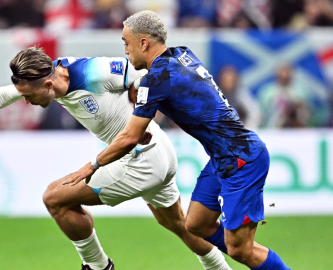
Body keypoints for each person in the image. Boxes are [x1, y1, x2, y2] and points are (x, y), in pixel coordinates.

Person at [0, 47, 232, 270]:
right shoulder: (51, 75)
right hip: (157, 152)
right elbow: (6, 94)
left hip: (141, 158)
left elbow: (143, 73)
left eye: (29, 96)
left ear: (47, 84)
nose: (26, 102)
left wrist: (142, 102)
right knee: (180, 225)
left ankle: (98, 267)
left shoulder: (93, 72)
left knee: (55, 198)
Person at [65, 11, 291, 270]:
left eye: (126, 42)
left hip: (242, 158)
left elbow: (129, 137)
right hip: (224, 156)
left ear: (144, 43)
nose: (125, 50)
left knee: (240, 249)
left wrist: (92, 166)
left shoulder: (156, 80)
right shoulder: (182, 54)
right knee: (196, 224)